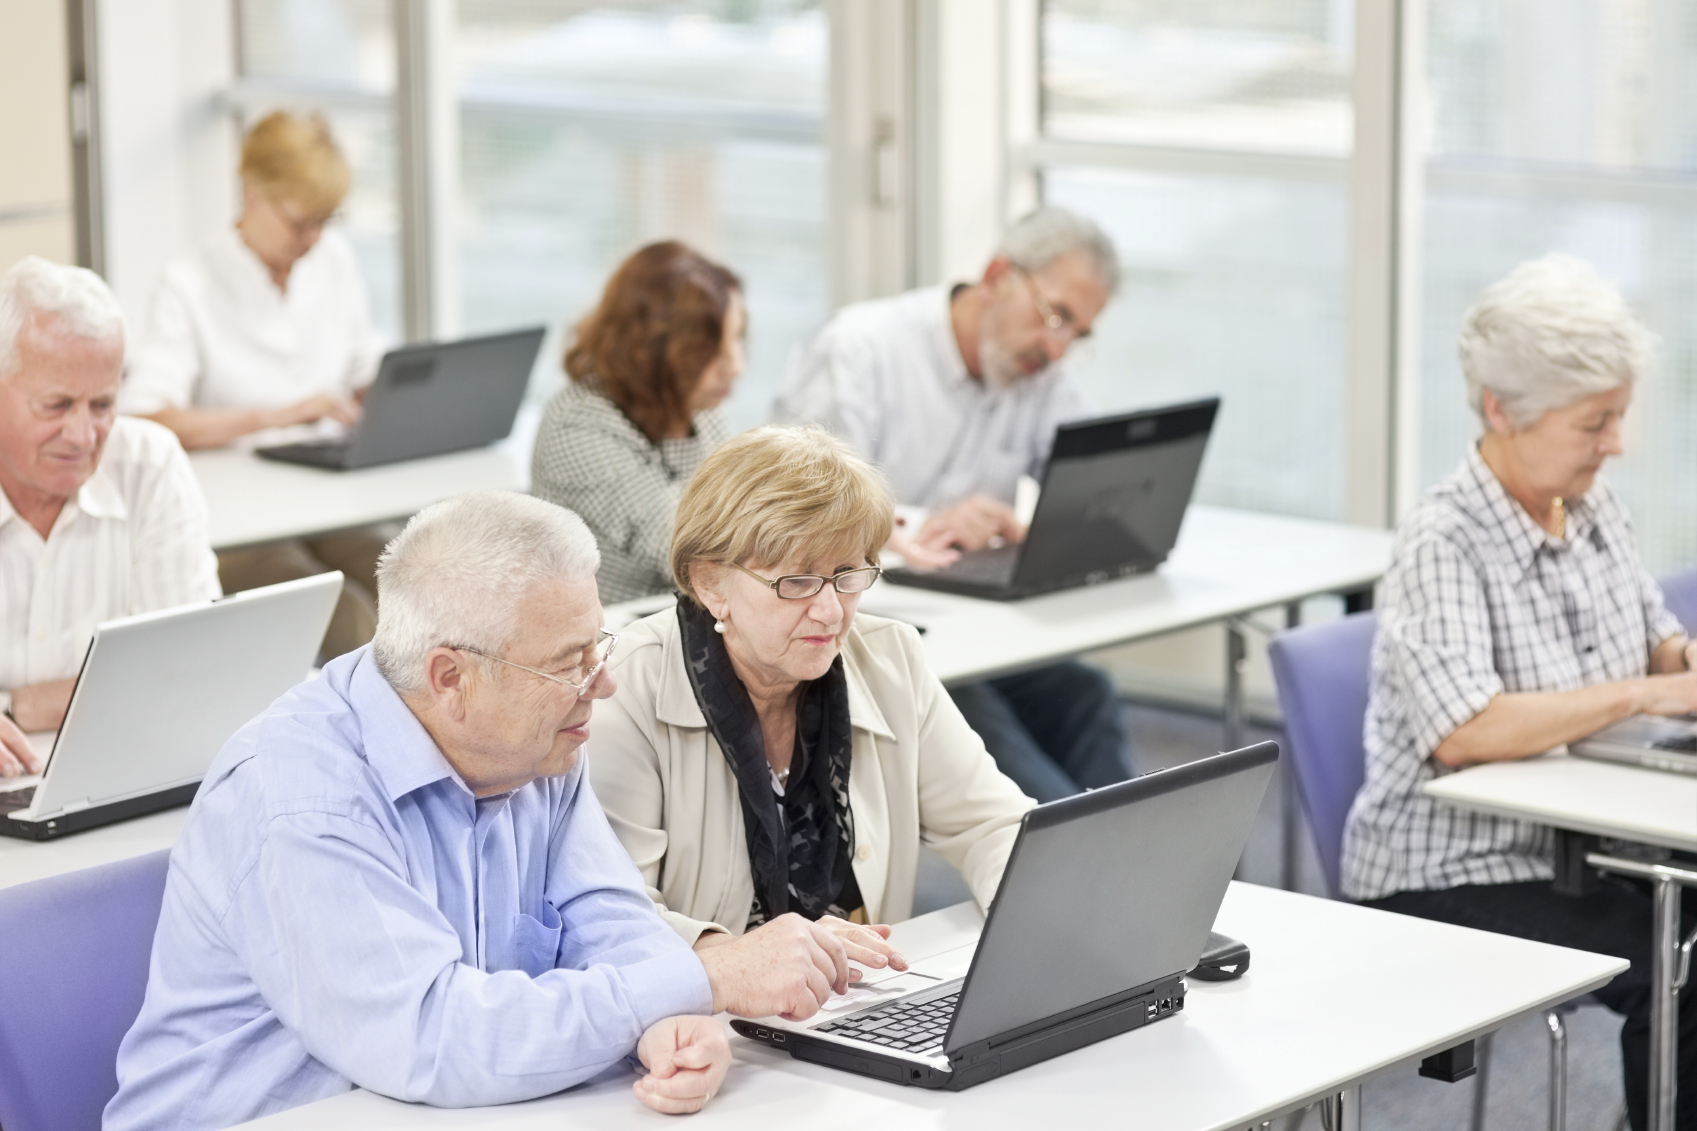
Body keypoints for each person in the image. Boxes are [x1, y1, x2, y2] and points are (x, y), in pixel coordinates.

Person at [106, 493, 738, 1131]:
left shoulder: (538, 749)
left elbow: (613, 927)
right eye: (569, 663)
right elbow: (430, 1040)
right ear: (449, 677)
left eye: (596, 646)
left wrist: (669, 1028)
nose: (603, 683)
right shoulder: (302, 795)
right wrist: (694, 982)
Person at [1341, 254, 1697, 1131]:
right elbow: (1467, 730)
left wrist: (1680, 656)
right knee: (1676, 967)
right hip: (1448, 871)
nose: (1613, 442)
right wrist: (1646, 693)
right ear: (1501, 411)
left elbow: (1652, 634)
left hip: (1579, 839)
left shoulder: (1587, 503)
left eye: (1617, 417)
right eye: (1593, 423)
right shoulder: (1443, 541)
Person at [588, 426, 1036, 999]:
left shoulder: (889, 657)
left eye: (849, 575)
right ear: (710, 582)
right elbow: (608, 914)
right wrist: (725, 958)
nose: (830, 611)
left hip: (860, 1003)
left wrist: (1035, 924)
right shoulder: (627, 687)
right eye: (797, 582)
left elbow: (994, 826)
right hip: (706, 1021)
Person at [773, 206, 1131, 804]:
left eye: (1077, 334)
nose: (1057, 346)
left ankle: (1137, 862)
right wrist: (918, 525)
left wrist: (1050, 527)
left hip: (972, 629)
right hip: (862, 631)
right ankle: (1070, 862)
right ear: (997, 276)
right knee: (980, 719)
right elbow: (801, 508)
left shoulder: (1037, 372)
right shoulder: (862, 349)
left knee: (1088, 695)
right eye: (1055, 316)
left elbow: (1100, 485)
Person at [119, 109, 389, 660]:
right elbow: (146, 418)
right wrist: (273, 416)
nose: (313, 238)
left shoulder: (331, 261)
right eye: (300, 222)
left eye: (325, 220)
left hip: (326, 498)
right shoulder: (188, 283)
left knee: (410, 585)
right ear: (253, 195)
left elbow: (363, 368)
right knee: (348, 615)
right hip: (241, 518)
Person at [0, 257, 218, 776]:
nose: (82, 436)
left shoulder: (151, 465)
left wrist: (16, 705)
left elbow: (189, 677)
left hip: (127, 771)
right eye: (55, 405)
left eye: (102, 405)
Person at [531, 241, 742, 604]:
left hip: (686, 616)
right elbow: (696, 552)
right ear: (653, 352)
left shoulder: (696, 403)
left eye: (735, 340)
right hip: (609, 638)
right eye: (709, 353)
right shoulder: (576, 428)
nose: (736, 367)